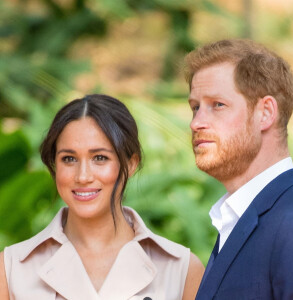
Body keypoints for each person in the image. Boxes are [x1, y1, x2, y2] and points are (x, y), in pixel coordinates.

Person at [0, 94, 204, 300]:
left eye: (100, 158)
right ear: (54, 165)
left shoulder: (182, 270)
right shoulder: (10, 269)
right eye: (69, 159)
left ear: (131, 164)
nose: (83, 176)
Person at [184, 39, 293, 299]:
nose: (196, 122)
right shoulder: (238, 218)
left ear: (266, 113)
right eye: (195, 107)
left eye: (218, 105)